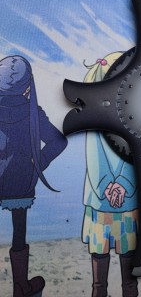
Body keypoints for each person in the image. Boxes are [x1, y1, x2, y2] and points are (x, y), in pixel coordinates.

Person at [0, 55, 67, 297]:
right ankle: (21, 287)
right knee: (19, 232)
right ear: (28, 87)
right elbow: (58, 142)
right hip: (21, 183)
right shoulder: (33, 113)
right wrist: (38, 163)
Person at [81, 53, 139, 297]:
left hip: (108, 199)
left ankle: (117, 290)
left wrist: (116, 185)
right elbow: (94, 157)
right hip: (113, 200)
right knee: (106, 250)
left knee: (122, 252)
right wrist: (116, 186)